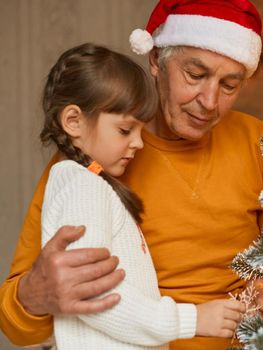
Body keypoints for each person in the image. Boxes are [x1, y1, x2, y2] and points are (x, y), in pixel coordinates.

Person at [0, 1, 263, 349]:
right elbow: (16, 326)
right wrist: (35, 296)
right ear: (155, 61)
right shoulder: (90, 163)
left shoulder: (255, 141)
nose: (210, 101)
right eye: (195, 75)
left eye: (229, 85)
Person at [38, 43, 246, 349]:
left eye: (140, 130)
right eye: (125, 131)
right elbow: (92, 296)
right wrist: (192, 319)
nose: (139, 143)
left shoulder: (93, 183)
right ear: (73, 121)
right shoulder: (82, 188)